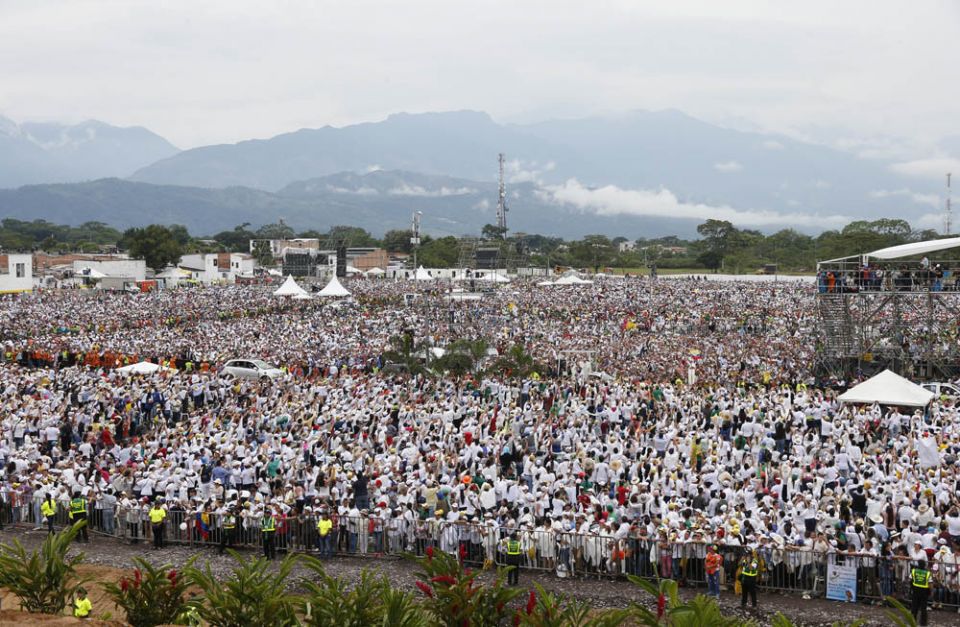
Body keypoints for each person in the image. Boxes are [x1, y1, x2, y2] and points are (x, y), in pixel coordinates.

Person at [911, 558, 931, 626]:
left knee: (914, 607)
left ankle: (913, 621)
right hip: (924, 592)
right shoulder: (927, 573)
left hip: (915, 591)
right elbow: (930, 583)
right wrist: (930, 592)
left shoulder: (914, 571)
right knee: (923, 608)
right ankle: (923, 623)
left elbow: (910, 579)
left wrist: (912, 587)